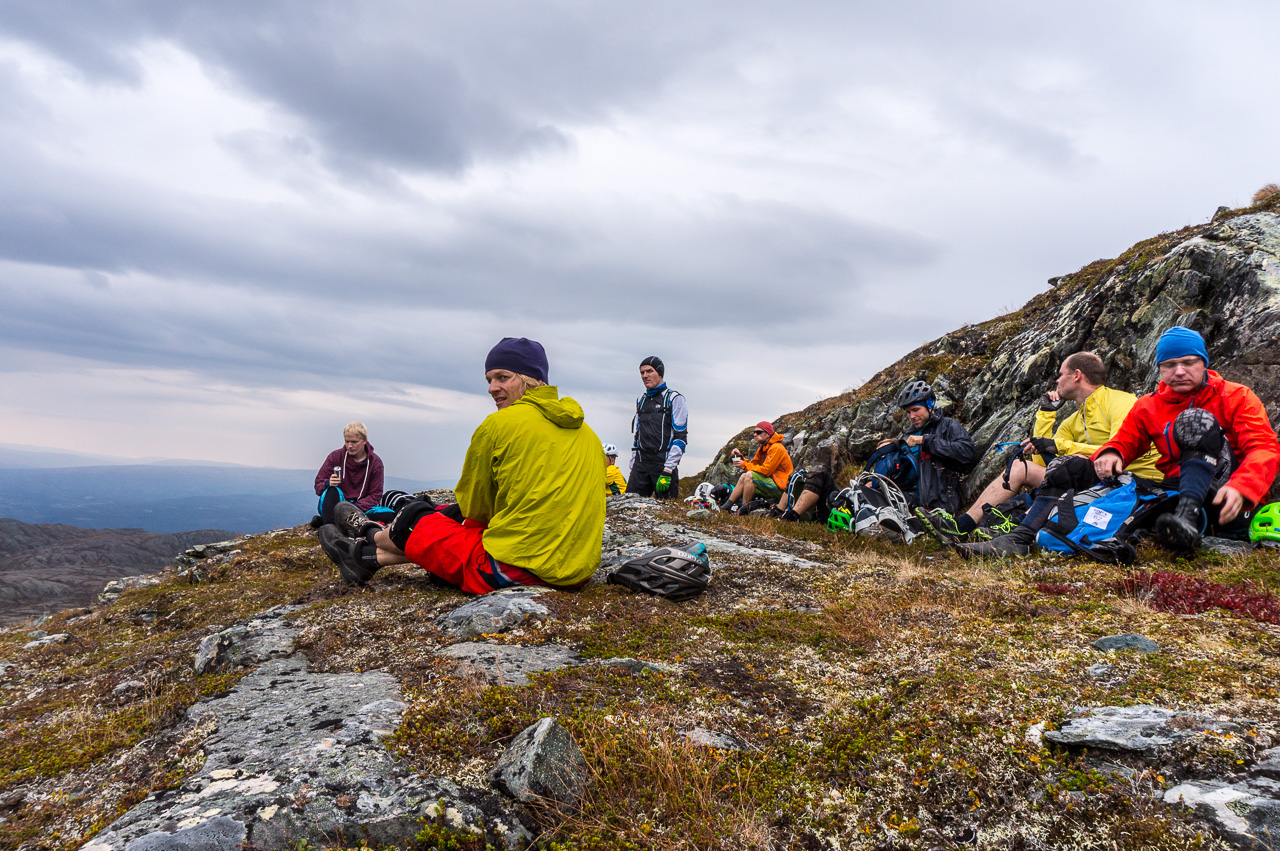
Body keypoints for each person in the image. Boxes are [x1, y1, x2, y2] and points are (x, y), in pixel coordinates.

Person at [317, 337, 606, 592]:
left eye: (503, 377)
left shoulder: (500, 424)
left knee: (417, 519)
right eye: (489, 379)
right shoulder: (589, 435)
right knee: (448, 516)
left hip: (515, 570)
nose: (492, 388)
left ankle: (369, 534)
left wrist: (449, 522)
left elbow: (475, 510)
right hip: (576, 573)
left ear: (531, 379)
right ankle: (363, 558)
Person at [920, 352, 1161, 544]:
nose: (1057, 381)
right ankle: (962, 525)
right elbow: (1044, 465)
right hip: (1090, 479)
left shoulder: (1121, 401)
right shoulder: (1073, 420)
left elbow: (1119, 449)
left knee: (1072, 460)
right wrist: (1046, 414)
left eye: (1061, 374)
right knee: (1021, 467)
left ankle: (1018, 533)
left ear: (1077, 375)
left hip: (1130, 481)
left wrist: (1060, 445)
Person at [1091, 326, 1279, 551]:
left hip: (1228, 497)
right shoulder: (1148, 405)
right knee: (1072, 467)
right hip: (1177, 490)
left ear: (1204, 363)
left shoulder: (1236, 396)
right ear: (1160, 369)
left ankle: (1187, 519)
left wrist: (1242, 486)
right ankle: (1058, 529)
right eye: (1169, 365)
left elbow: (1264, 447)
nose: (1179, 371)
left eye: (1189, 363)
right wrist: (1113, 452)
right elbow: (1125, 440)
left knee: (1196, 422)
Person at [892, 381, 976, 514]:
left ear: (929, 405)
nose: (912, 416)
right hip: (911, 504)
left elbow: (967, 452)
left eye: (915, 410)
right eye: (908, 412)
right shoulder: (908, 435)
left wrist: (926, 441)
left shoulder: (948, 426)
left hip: (941, 506)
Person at [629, 356, 688, 499]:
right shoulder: (641, 400)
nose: (645, 376)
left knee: (668, 508)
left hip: (663, 465)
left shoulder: (674, 399)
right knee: (629, 505)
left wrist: (668, 469)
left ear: (660, 373)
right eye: (642, 372)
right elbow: (637, 436)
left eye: (649, 371)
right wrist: (633, 465)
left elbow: (680, 438)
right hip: (641, 465)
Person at [311, 422, 384, 528]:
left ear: (364, 440)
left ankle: (330, 521)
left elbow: (375, 495)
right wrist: (328, 483)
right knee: (332, 491)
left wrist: (351, 509)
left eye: (354, 442)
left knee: (389, 515)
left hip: (360, 508)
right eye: (347, 441)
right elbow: (318, 486)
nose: (349, 446)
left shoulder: (375, 463)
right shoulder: (335, 457)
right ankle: (331, 528)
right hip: (336, 505)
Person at [721, 422, 794, 514]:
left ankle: (743, 511)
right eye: (754, 432)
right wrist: (742, 458)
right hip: (772, 482)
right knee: (744, 476)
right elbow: (753, 465)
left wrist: (744, 465)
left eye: (759, 432)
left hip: (782, 488)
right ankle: (726, 507)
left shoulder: (776, 448)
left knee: (749, 475)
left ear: (768, 434)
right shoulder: (763, 447)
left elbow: (766, 471)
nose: (755, 435)